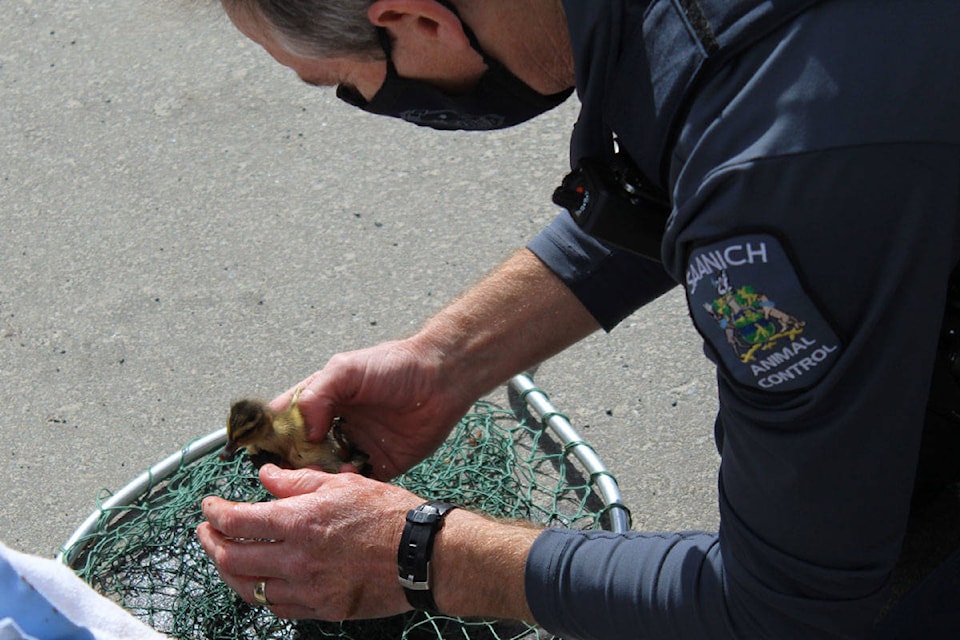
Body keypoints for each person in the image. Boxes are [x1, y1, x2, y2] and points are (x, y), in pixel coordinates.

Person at [194, 0, 960, 638]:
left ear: (419, 20)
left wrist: (421, 553)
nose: (368, 105)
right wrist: (447, 359)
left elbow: (782, 607)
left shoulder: (777, 179)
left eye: (344, 84)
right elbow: (682, 157)